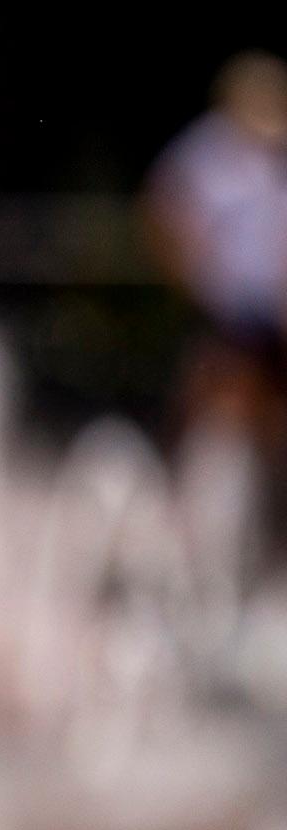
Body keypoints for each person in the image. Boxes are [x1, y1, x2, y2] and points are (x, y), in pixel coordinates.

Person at [144, 51, 287, 523]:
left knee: (267, 421)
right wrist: (193, 277)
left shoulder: (270, 159)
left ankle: (264, 520)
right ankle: (169, 505)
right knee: (209, 405)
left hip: (269, 312)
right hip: (223, 309)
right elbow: (164, 215)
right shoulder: (205, 153)